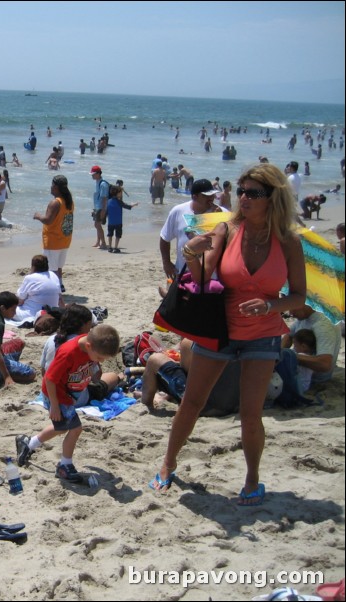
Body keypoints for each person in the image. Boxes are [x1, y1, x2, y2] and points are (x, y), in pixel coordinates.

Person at [150, 162, 306, 507]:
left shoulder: (289, 242)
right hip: (218, 329)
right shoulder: (228, 230)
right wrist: (191, 252)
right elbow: (203, 277)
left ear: (272, 198)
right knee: (192, 402)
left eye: (253, 193)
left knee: (251, 414)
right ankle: (168, 462)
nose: (243, 198)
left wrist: (269, 306)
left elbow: (298, 297)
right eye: (241, 190)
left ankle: (252, 479)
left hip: (263, 334)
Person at [15, 324, 121, 482]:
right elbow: (50, 379)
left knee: (61, 427)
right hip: (57, 395)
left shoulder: (91, 347)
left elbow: (89, 364)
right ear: (88, 346)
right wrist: (55, 405)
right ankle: (65, 466)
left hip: (70, 393)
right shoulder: (68, 352)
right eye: (100, 358)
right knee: (76, 429)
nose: (101, 361)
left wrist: (95, 369)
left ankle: (29, 443)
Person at [159, 179, 225, 281]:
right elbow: (164, 238)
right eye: (206, 196)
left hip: (213, 278)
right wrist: (166, 262)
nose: (211, 198)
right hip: (184, 274)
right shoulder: (178, 211)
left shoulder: (223, 213)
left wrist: (219, 219)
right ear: (194, 196)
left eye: (212, 195)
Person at [281, 305, 341, 386]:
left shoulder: (323, 325)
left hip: (310, 380)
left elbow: (324, 364)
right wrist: (278, 352)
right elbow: (288, 336)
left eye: (293, 307)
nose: (291, 313)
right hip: (297, 371)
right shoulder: (304, 316)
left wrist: (290, 355)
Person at [33, 174, 74, 292]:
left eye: (52, 185)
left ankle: (55, 288)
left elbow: (48, 220)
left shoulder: (55, 202)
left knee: (51, 268)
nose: (50, 187)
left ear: (56, 187)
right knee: (58, 266)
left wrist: (38, 216)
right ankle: (60, 284)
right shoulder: (69, 201)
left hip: (53, 240)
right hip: (65, 239)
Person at [106, 185, 138, 253]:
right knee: (118, 235)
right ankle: (116, 248)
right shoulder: (119, 202)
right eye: (121, 192)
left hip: (110, 222)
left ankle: (110, 248)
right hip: (118, 222)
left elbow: (106, 212)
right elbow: (127, 206)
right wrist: (134, 205)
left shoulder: (108, 201)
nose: (121, 194)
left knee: (110, 234)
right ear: (118, 193)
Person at [289, 329, 316, 393]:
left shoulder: (301, 356)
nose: (294, 348)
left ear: (303, 346)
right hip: (306, 386)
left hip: (298, 386)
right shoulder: (312, 357)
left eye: (295, 346)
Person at [89, 165, 109, 250]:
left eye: (93, 174)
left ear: (98, 174)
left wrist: (103, 210)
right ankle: (98, 242)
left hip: (101, 207)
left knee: (97, 225)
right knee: (97, 225)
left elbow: (104, 198)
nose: (92, 175)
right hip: (97, 207)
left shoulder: (103, 184)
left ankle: (103, 243)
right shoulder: (97, 182)